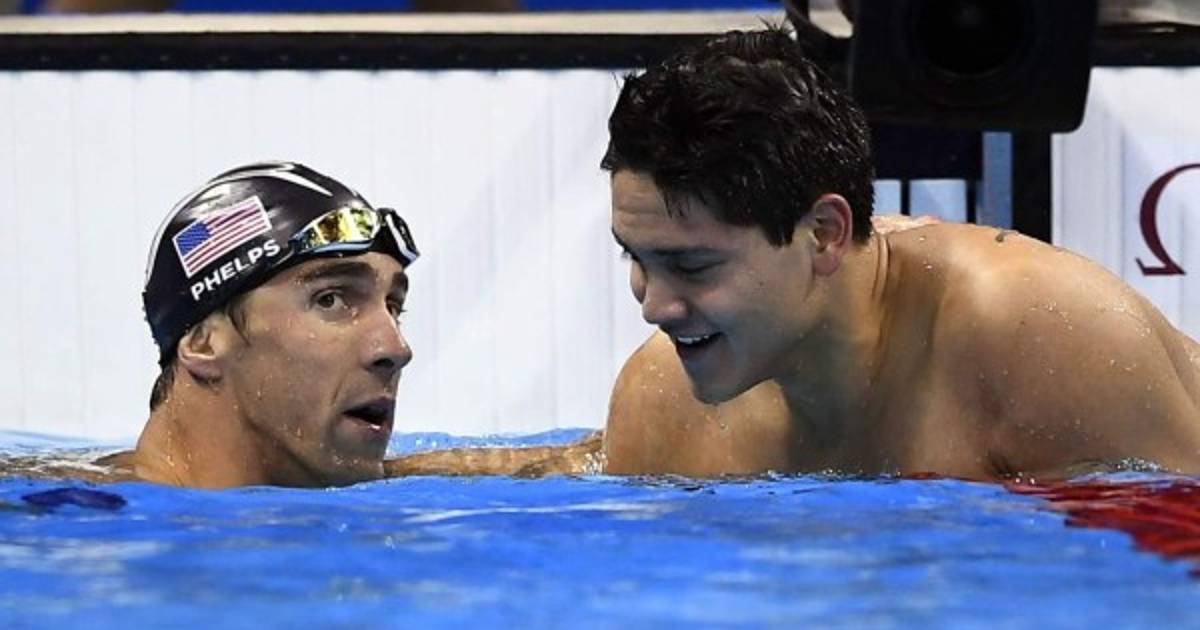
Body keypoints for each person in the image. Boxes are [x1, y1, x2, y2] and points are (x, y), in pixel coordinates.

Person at [593, 26, 1200, 480]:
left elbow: (1163, 578)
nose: (654, 307)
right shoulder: (662, 404)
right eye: (637, 260)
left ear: (823, 234)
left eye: (692, 266)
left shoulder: (1041, 336)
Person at [93, 161, 421, 487]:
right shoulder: (84, 507)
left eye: (393, 307)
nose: (397, 349)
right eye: (330, 300)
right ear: (203, 342)